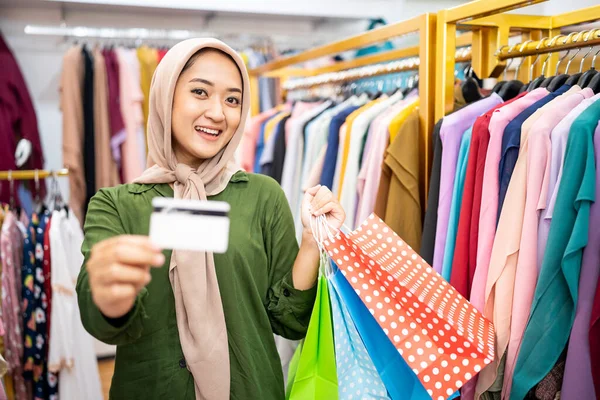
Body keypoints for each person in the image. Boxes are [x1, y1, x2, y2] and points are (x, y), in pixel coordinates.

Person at [76, 38, 346, 400]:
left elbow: (291, 322)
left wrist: (312, 242)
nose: (219, 113)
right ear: (166, 96)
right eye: (200, 92)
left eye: (232, 99)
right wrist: (108, 297)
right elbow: (101, 324)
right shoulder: (116, 205)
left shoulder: (263, 196)